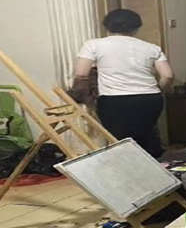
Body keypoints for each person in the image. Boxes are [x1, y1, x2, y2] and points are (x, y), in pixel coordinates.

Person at [72, 9, 173, 157]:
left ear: (107, 26)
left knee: (121, 142)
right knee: (145, 138)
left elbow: (81, 73)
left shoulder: (93, 45)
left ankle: (127, 169)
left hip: (115, 100)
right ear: (136, 28)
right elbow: (168, 76)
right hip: (150, 99)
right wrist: (159, 89)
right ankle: (153, 167)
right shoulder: (152, 47)